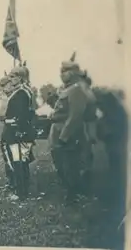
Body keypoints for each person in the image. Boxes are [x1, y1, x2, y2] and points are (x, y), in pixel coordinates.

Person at [48, 52, 90, 204]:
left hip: (67, 134)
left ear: (73, 73)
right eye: (61, 71)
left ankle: (73, 194)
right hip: (56, 131)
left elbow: (75, 115)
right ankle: (71, 191)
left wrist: (65, 136)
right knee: (59, 164)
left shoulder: (76, 90)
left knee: (70, 165)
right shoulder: (65, 90)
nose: (62, 75)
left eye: (65, 72)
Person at [0, 65, 37, 199]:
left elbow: (22, 114)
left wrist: (18, 130)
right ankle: (22, 190)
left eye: (13, 76)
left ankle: (21, 193)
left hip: (18, 132)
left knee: (19, 162)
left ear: (20, 78)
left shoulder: (22, 93)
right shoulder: (24, 91)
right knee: (21, 162)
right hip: (20, 130)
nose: (10, 78)